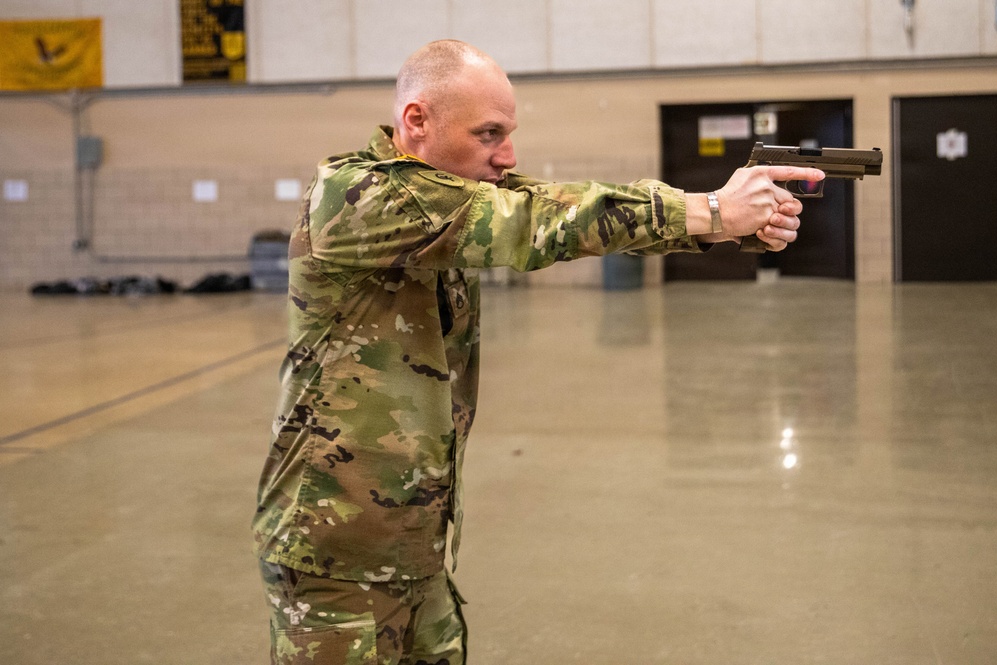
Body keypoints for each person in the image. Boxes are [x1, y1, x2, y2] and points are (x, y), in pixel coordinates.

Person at [252, 39, 824, 665]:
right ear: (416, 121)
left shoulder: (452, 191)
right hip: (335, 552)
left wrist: (722, 223)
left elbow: (569, 213)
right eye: (489, 132)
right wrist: (711, 209)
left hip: (413, 536)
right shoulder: (356, 195)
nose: (508, 153)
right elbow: (532, 222)